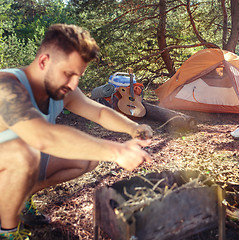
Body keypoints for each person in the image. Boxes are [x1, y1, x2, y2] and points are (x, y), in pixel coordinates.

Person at [0, 24, 153, 239]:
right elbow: (43, 137)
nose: (73, 84)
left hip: (16, 164)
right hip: (13, 159)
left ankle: (19, 198)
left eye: (78, 75)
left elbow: (99, 113)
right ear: (44, 61)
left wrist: (133, 128)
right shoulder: (6, 86)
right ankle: (6, 232)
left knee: (87, 158)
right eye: (68, 73)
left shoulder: (62, 89)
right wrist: (115, 151)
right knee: (22, 153)